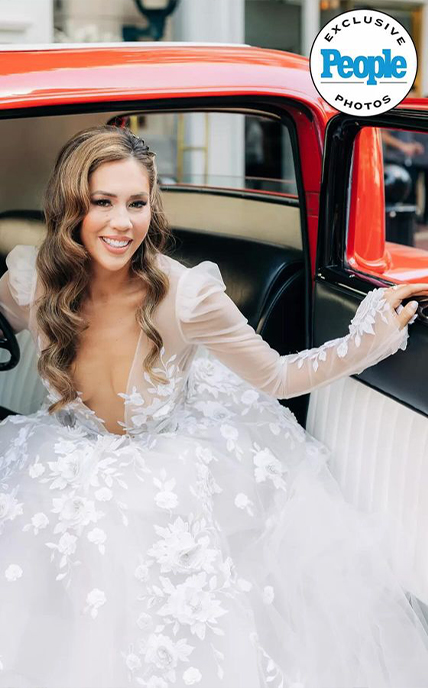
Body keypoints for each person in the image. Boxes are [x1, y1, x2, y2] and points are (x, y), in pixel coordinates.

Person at [0, 125, 428, 688]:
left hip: (159, 472)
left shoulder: (188, 295)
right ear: (70, 206)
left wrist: (365, 341)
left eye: (137, 203)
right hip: (63, 451)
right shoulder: (32, 282)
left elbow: (276, 376)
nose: (122, 223)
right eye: (101, 202)